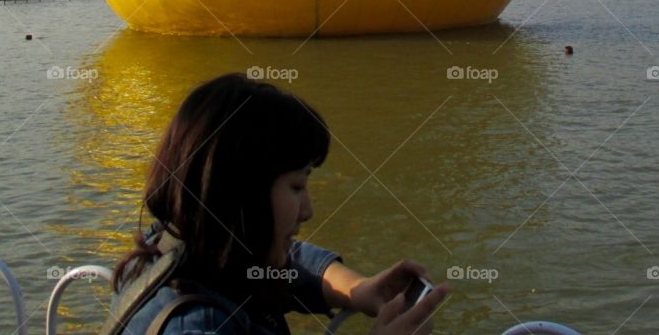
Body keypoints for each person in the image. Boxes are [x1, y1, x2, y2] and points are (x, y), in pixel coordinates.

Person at [111, 73, 448, 334]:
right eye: (297, 186)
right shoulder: (199, 324)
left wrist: (359, 289)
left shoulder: (179, 250)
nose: (308, 210)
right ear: (243, 191)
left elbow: (290, 263)